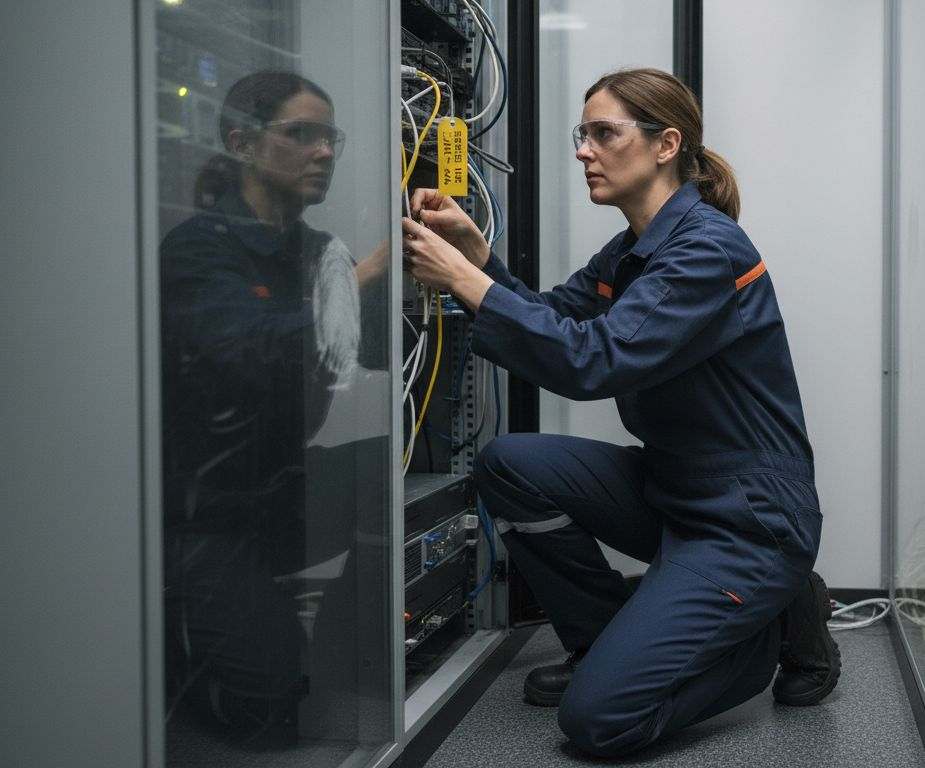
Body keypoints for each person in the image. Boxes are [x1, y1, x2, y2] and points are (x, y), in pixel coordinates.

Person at [400, 67, 840, 756]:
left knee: (597, 721)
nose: (583, 150)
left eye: (603, 133)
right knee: (509, 464)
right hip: (676, 491)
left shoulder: (706, 249)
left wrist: (465, 283)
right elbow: (553, 320)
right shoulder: (632, 249)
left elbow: (592, 359)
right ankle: (609, 640)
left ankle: (765, 637)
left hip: (748, 519)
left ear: (666, 145)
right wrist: (477, 259)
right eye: (583, 134)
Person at [160, 71, 383, 739]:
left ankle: (321, 631)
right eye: (301, 135)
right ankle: (174, 629)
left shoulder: (312, 251)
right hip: (205, 515)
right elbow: (249, 354)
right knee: (271, 709)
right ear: (242, 144)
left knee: (396, 476)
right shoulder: (199, 251)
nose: (323, 153)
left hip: (284, 487)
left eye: (329, 138)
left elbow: (344, 357)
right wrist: (362, 282)